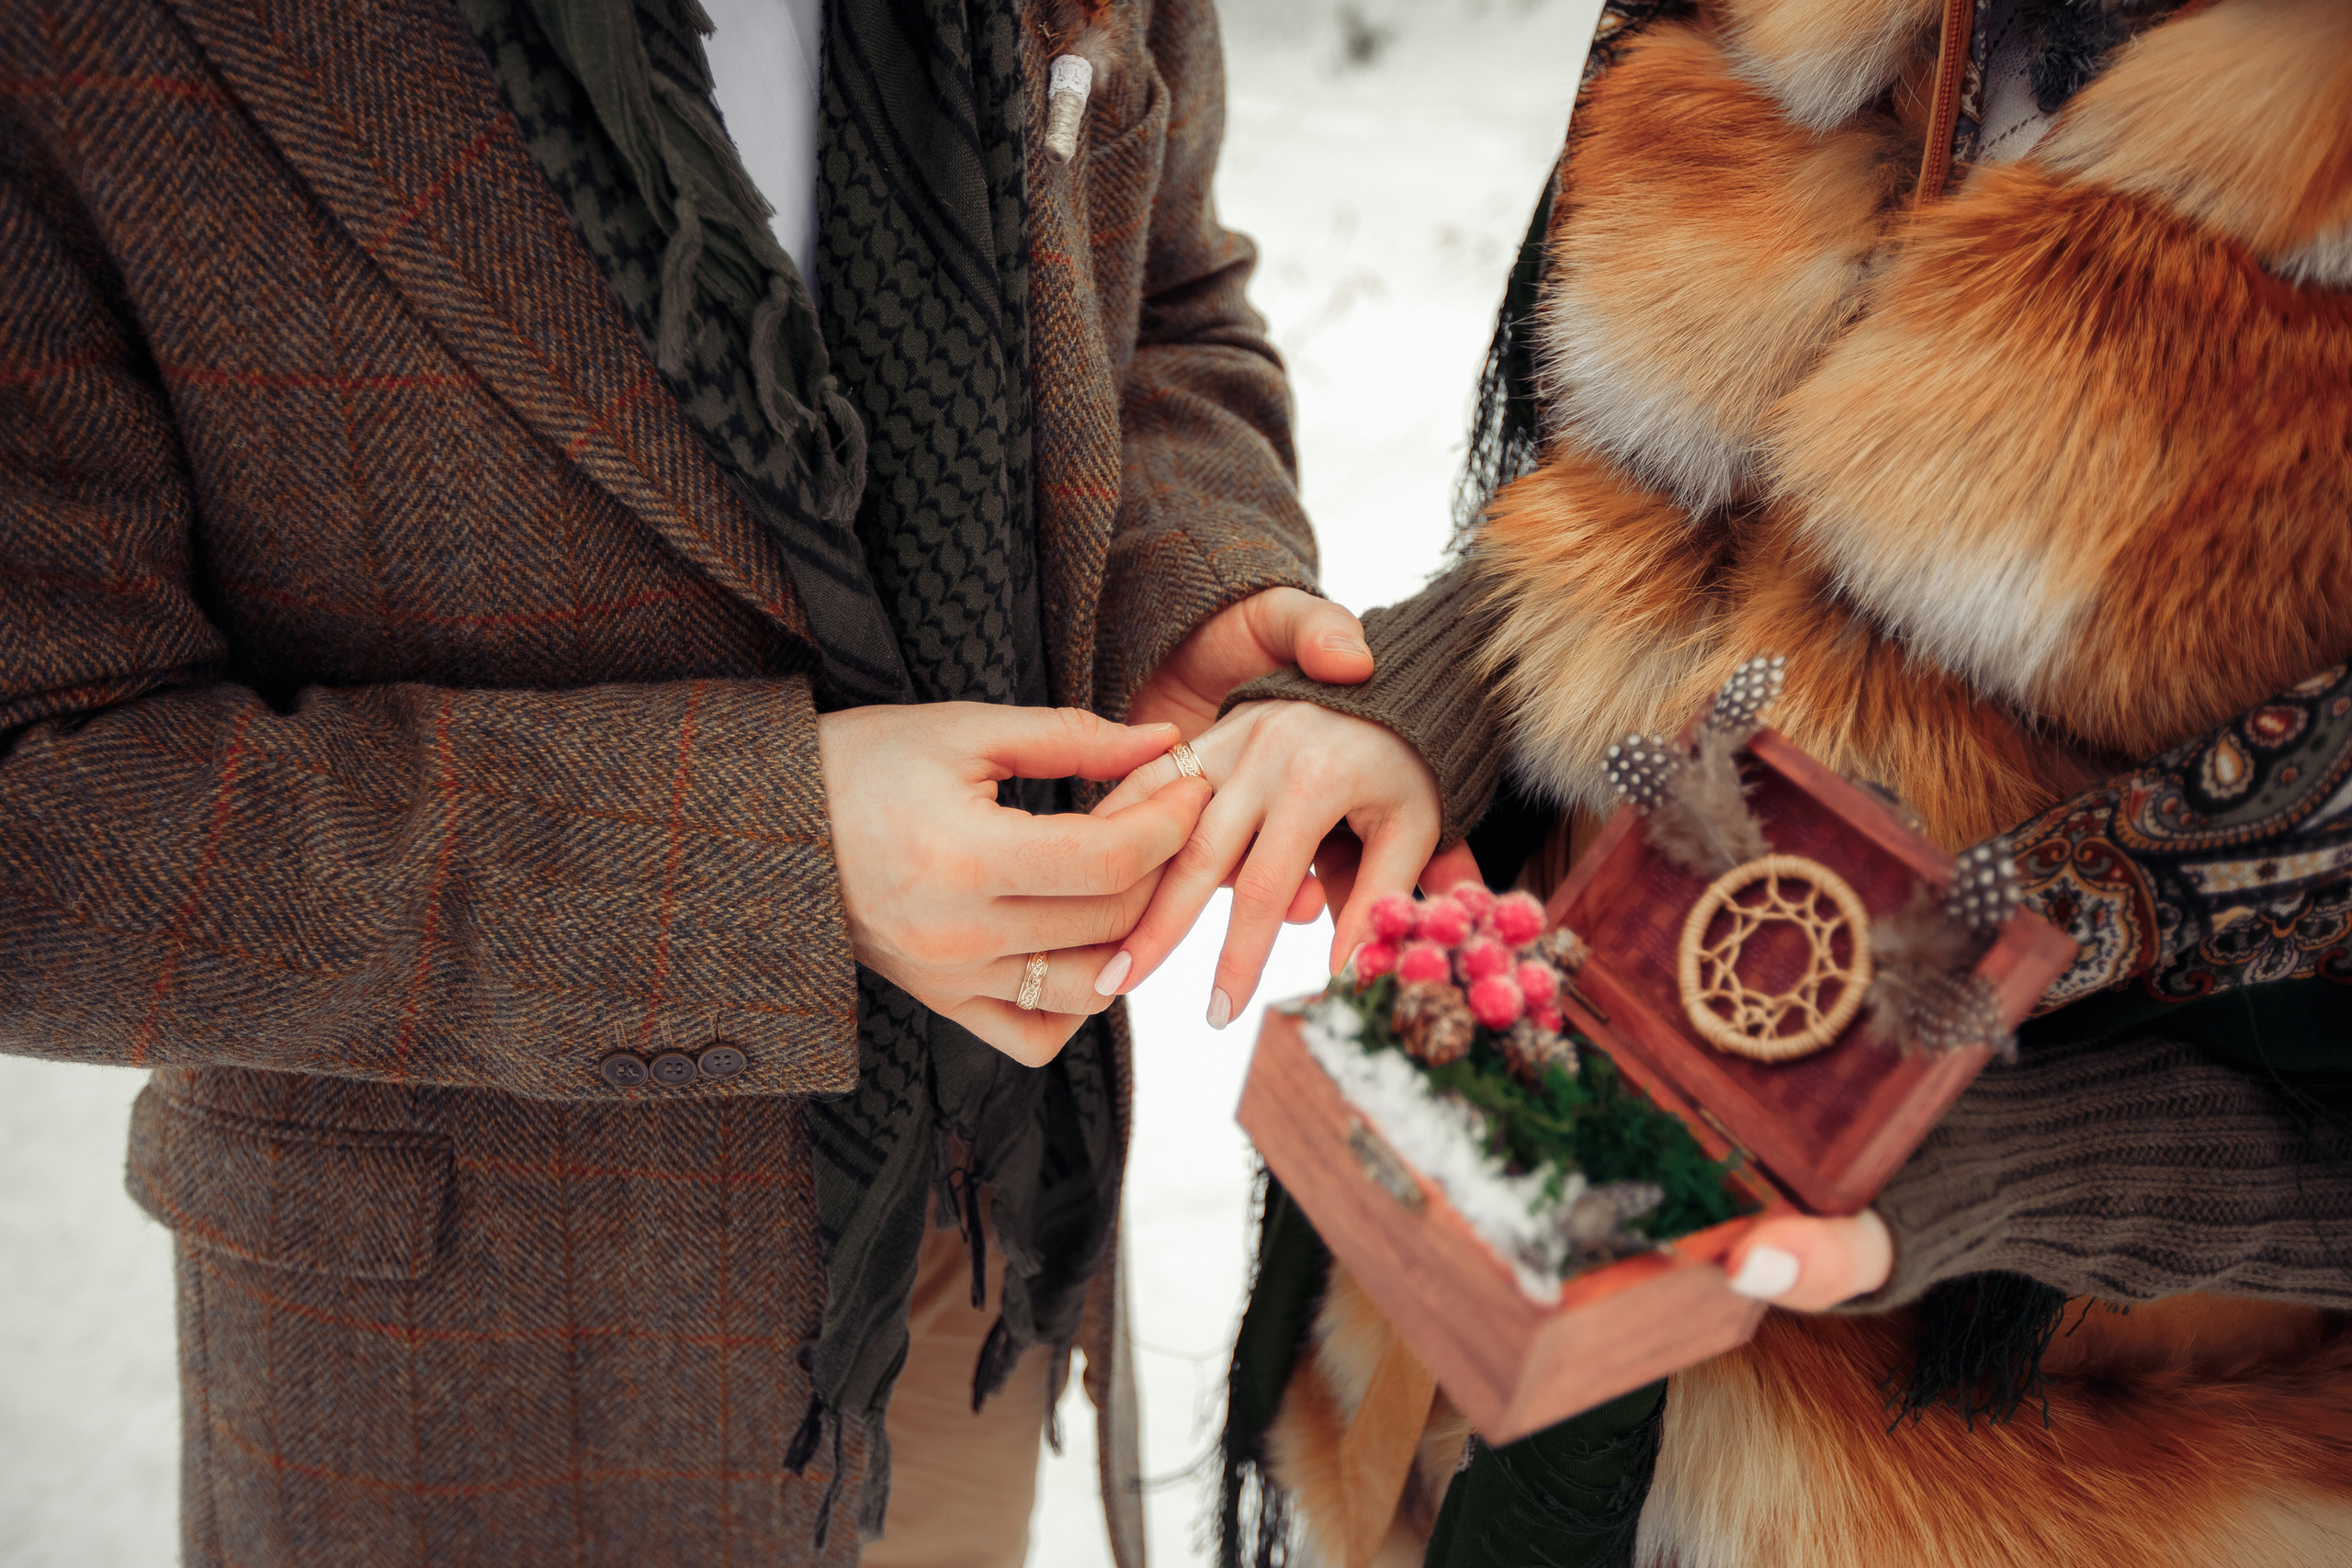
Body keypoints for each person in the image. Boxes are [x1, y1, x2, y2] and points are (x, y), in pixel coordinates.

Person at [0, 0, 1385, 1562]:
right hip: (482, 1365)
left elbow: (1162, 307)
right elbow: (39, 812)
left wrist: (1188, 586)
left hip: (971, 1225)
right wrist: (766, 862)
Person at [1096, 0, 2352, 1562]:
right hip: (1504, 1312)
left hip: (2016, 1470)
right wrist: (1420, 700)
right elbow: (1676, 511)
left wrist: (1963, 1172)